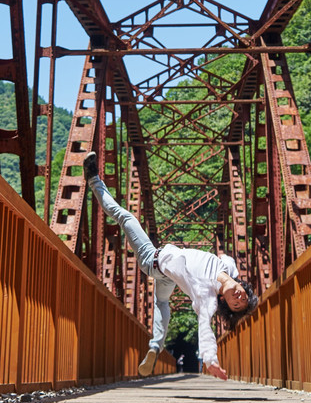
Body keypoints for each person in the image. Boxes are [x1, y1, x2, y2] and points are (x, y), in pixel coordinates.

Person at [83, 151, 258, 380]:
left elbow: (205, 327)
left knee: (125, 217)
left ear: (223, 301)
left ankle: (93, 178)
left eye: (236, 304)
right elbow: (227, 259)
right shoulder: (229, 268)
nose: (239, 298)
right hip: (169, 275)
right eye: (243, 297)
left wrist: (210, 359)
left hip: (152, 260)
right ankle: (155, 346)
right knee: (161, 302)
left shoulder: (206, 295)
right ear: (244, 287)